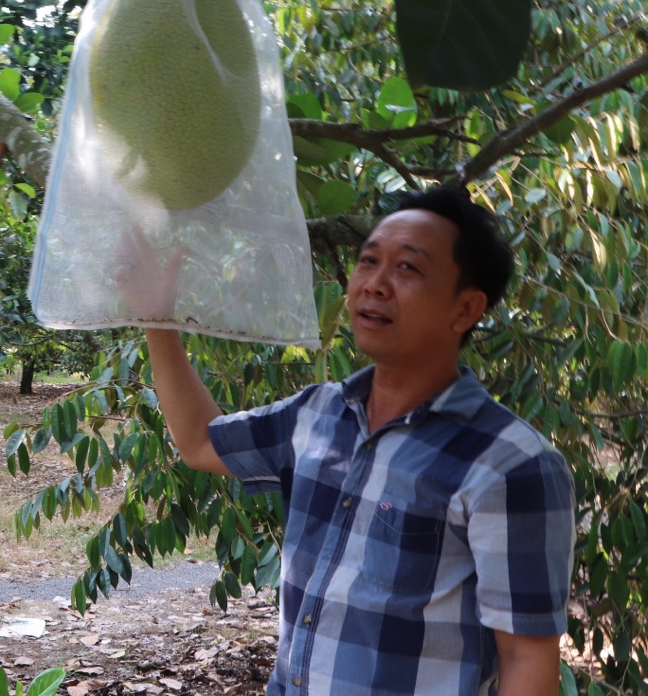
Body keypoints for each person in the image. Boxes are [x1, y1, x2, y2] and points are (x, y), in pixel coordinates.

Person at [116, 186, 576, 696]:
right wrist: (156, 320)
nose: (375, 285)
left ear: (465, 309)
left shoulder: (512, 465)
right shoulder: (317, 415)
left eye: (409, 269)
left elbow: (527, 659)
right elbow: (201, 443)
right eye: (368, 261)